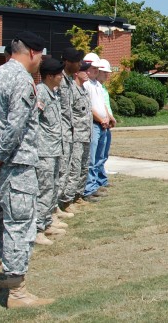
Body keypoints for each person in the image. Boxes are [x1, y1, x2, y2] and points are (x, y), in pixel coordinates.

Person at [0, 31, 54, 308]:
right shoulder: (21, 79)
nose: (41, 60)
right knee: (19, 226)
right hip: (14, 165)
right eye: (41, 55)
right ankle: (17, 292)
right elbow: (16, 126)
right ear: (32, 52)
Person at [35, 58, 66, 246]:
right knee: (44, 190)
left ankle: (47, 222)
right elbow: (34, 122)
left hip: (54, 149)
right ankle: (37, 229)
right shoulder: (40, 93)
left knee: (52, 188)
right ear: (49, 76)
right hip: (44, 151)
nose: (61, 77)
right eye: (59, 74)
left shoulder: (51, 93)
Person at [60, 62, 93, 213]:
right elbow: (68, 114)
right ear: (76, 73)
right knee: (74, 168)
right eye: (83, 70)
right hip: (76, 136)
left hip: (86, 135)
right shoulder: (71, 90)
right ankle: (67, 200)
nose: (86, 73)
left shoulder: (84, 90)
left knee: (84, 167)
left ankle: (78, 195)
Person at [56, 47, 84, 218]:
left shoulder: (68, 82)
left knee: (66, 171)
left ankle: (59, 205)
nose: (79, 64)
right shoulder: (58, 80)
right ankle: (55, 208)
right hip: (59, 135)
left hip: (69, 133)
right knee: (59, 173)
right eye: (77, 61)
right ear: (67, 62)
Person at [82, 53, 110, 201]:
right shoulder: (86, 84)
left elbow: (102, 104)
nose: (97, 71)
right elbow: (89, 107)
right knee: (91, 158)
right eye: (94, 68)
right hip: (94, 124)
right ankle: (89, 188)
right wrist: (101, 119)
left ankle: (95, 184)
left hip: (102, 124)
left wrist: (106, 117)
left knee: (100, 156)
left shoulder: (97, 85)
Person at [96, 58, 117, 187]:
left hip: (106, 123)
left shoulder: (102, 88)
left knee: (103, 154)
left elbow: (105, 105)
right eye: (104, 72)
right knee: (97, 155)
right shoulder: (93, 86)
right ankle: (97, 181)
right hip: (100, 123)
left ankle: (101, 179)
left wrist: (110, 118)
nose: (106, 74)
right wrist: (107, 118)